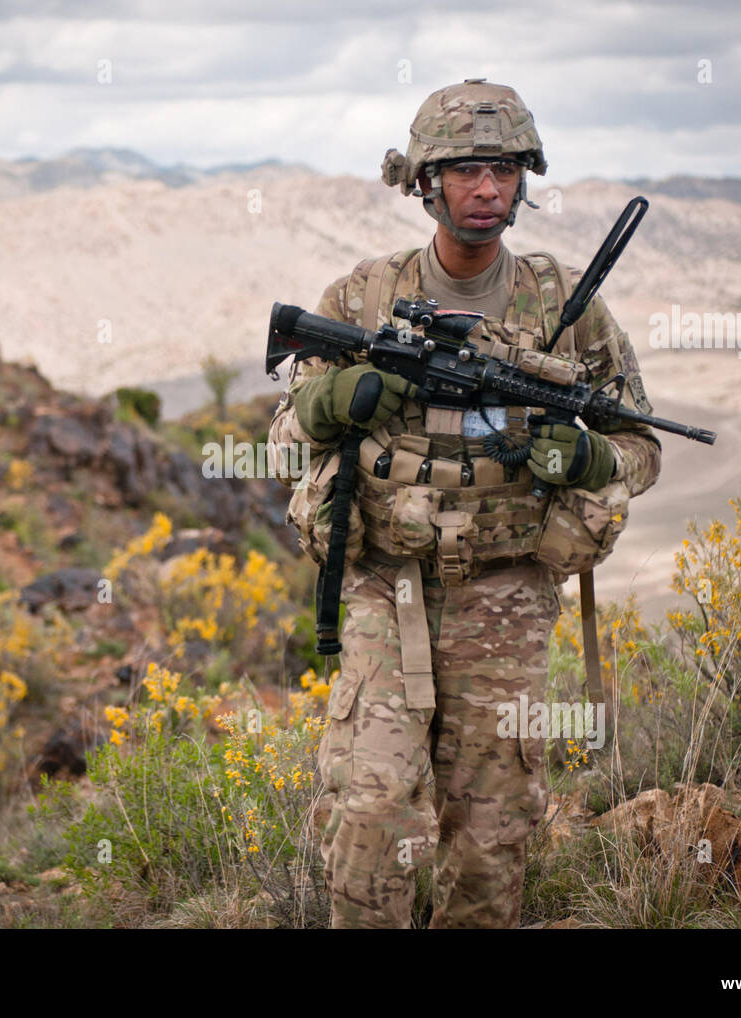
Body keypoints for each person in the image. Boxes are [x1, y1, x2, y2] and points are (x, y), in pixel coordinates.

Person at [267, 79, 662, 928]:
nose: (488, 188)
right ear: (426, 182)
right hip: (382, 580)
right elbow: (283, 441)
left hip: (508, 587)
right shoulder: (363, 297)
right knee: (370, 809)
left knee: (492, 830)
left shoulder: (567, 309)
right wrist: (327, 404)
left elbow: (644, 448)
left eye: (506, 169)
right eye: (467, 170)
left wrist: (593, 454)